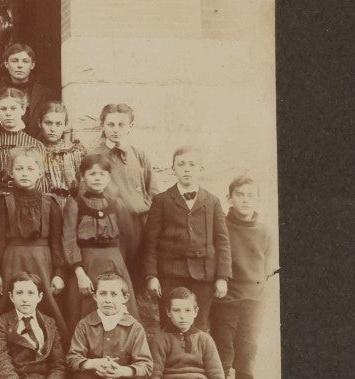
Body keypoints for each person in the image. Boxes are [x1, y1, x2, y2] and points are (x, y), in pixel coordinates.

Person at [208, 174, 275, 379]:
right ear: (230, 198)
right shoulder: (221, 226)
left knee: (246, 360)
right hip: (226, 301)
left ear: (258, 199)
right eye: (240, 195)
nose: (246, 201)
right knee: (223, 358)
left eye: (251, 196)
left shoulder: (266, 231)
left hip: (254, 303)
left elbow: (268, 268)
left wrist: (260, 294)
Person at [140, 146, 232, 331]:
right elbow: (149, 243)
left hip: (204, 276)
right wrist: (152, 276)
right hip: (170, 275)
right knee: (170, 324)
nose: (187, 169)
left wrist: (223, 277)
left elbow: (222, 242)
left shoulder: (212, 201)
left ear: (201, 169)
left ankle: (195, 360)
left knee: (199, 326)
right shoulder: (162, 201)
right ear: (173, 168)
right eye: (181, 164)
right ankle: (172, 360)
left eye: (192, 164)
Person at [0, 148, 67, 334]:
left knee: (46, 305)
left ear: (40, 173)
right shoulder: (2, 202)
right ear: (11, 172)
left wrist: (59, 273)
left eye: (30, 169)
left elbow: (56, 242)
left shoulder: (51, 203)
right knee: (8, 304)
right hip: (11, 262)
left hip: (43, 263)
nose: (24, 173)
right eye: (19, 168)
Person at [61, 153, 137, 334]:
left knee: (118, 307)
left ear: (109, 177)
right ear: (82, 176)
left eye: (102, 174)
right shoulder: (74, 204)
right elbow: (69, 239)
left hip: (115, 265)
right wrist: (79, 273)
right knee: (86, 310)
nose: (97, 178)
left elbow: (128, 238)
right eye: (92, 174)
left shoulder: (116, 204)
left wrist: (120, 263)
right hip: (86, 267)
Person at [90, 103, 154, 272]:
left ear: (130, 127)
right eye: (110, 124)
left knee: (141, 273)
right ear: (102, 125)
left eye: (121, 125)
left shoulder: (139, 155)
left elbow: (153, 191)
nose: (116, 130)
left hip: (142, 224)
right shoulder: (94, 156)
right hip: (113, 226)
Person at [0, 87, 48, 200]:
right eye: (4, 109)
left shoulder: (36, 145)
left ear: (23, 110)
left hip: (28, 201)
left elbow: (42, 181)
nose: (8, 113)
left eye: (13, 108)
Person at [0, 42, 51, 136]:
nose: (20, 65)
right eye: (14, 60)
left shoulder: (44, 94)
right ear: (6, 64)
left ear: (32, 65)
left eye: (25, 61)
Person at [37, 101, 86, 204]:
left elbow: (83, 182)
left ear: (65, 125)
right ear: (39, 123)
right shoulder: (35, 151)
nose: (53, 129)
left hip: (69, 205)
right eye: (48, 123)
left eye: (58, 124)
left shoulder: (74, 151)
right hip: (43, 205)